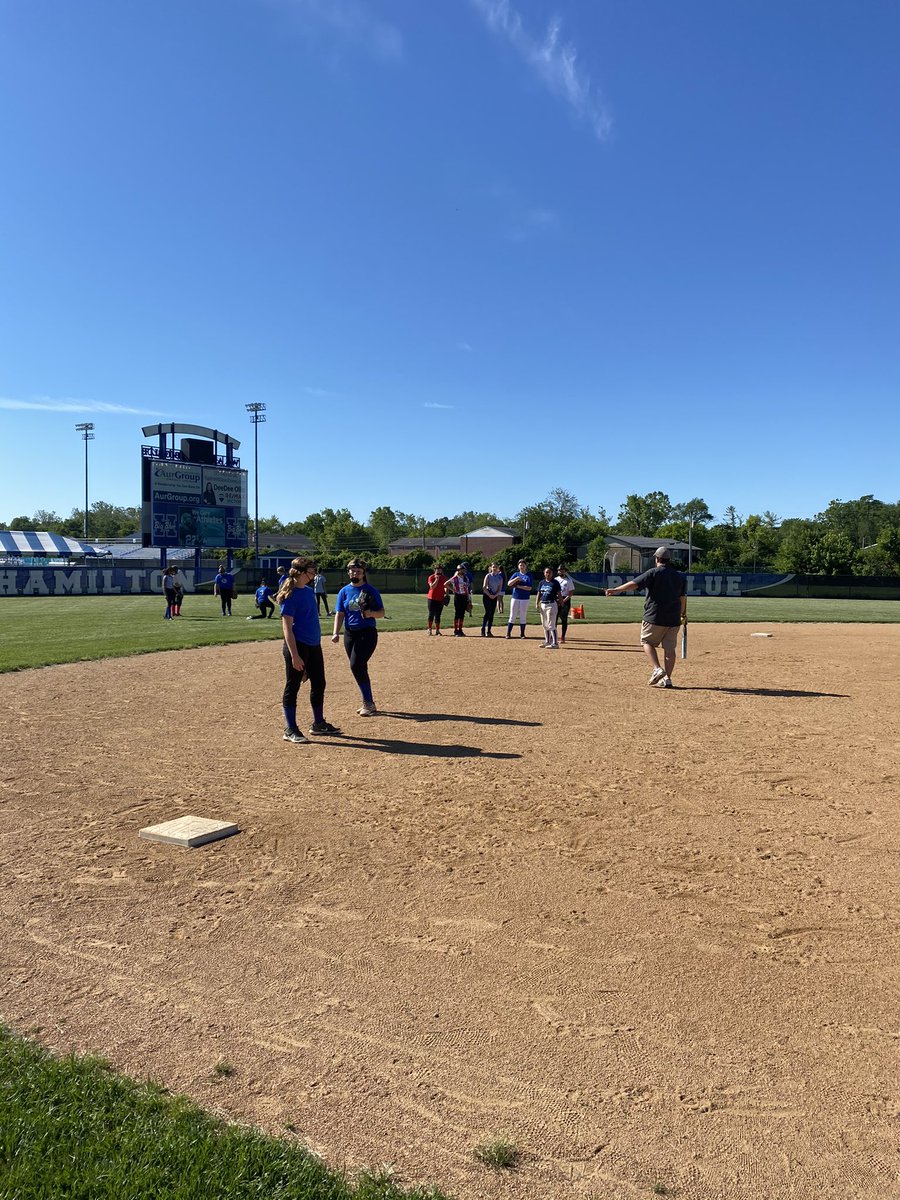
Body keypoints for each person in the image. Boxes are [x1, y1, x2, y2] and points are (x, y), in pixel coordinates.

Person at [278, 557, 340, 743]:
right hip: (298, 646)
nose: (314, 575)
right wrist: (295, 656)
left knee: (319, 683)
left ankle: (318, 723)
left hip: (314, 646)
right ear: (301, 572)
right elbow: (287, 629)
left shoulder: (307, 591)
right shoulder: (290, 595)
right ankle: (290, 729)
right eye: (311, 571)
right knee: (293, 686)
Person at [605, 546, 687, 688]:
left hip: (654, 616)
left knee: (646, 641)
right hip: (673, 618)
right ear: (669, 560)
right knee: (669, 649)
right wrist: (683, 614)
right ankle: (667, 679)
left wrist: (616, 590)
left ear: (657, 559)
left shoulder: (653, 572)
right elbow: (682, 598)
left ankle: (657, 669)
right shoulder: (679, 576)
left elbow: (634, 584)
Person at [332, 558, 385, 715]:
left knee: (355, 665)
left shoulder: (370, 590)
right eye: (352, 570)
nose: (355, 573)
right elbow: (340, 613)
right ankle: (369, 702)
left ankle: (368, 703)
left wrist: (371, 613)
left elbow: (382, 612)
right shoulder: (344, 592)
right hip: (349, 634)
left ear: (363, 573)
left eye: (358, 571)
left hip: (367, 633)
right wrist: (335, 632)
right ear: (348, 572)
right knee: (360, 667)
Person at [505, 559, 533, 638]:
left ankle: (522, 634)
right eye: (520, 565)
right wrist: (516, 579)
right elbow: (509, 583)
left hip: (525, 598)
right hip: (515, 597)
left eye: (523, 565)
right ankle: (508, 633)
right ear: (518, 566)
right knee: (512, 615)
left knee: (523, 615)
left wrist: (518, 586)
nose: (522, 566)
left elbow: (529, 588)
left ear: (526, 566)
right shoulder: (516, 574)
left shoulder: (528, 575)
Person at [535, 567, 562, 648]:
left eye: (550, 572)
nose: (548, 574)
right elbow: (539, 594)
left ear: (552, 573)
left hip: (551, 605)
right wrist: (536, 603)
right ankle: (547, 641)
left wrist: (561, 603)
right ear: (544, 573)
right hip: (543, 604)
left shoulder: (555, 583)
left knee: (551, 624)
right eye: (546, 572)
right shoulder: (542, 582)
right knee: (544, 624)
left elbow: (559, 594)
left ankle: (555, 643)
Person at [447, 563, 471, 637]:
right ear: (459, 570)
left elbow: (467, 589)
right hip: (458, 596)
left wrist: (469, 599)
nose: (464, 571)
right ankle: (456, 630)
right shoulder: (455, 578)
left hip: (464, 596)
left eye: (464, 569)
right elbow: (446, 584)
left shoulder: (466, 578)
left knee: (462, 614)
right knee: (457, 613)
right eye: (462, 570)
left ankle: (460, 630)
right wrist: (453, 590)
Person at [481, 563, 504, 637]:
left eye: (496, 567)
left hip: (494, 596)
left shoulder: (500, 578)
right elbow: (484, 587)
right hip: (487, 595)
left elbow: (499, 589)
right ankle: (483, 629)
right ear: (491, 568)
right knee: (487, 612)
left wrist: (495, 595)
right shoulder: (488, 576)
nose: (494, 568)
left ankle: (489, 631)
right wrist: (490, 595)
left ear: (498, 569)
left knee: (492, 614)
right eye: (493, 567)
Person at [555, 565, 575, 644]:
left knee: (564, 619)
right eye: (559, 570)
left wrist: (563, 601)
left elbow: (570, 593)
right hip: (556, 599)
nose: (561, 571)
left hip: (565, 600)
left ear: (565, 571)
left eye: (562, 570)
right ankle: (553, 636)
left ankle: (562, 637)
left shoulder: (568, 581)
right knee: (554, 619)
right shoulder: (555, 579)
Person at [426, 563, 447, 635]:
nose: (439, 570)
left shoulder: (443, 578)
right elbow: (432, 587)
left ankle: (437, 630)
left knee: (438, 615)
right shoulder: (431, 577)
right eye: (437, 569)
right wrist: (437, 579)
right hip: (431, 598)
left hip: (440, 598)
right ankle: (429, 629)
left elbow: (445, 586)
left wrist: (446, 593)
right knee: (431, 614)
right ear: (435, 570)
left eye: (440, 569)